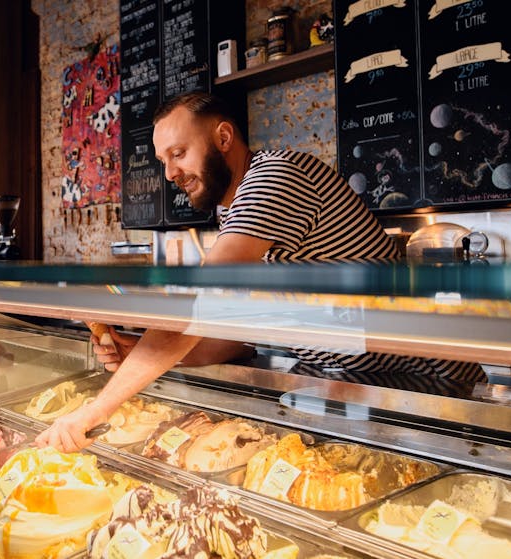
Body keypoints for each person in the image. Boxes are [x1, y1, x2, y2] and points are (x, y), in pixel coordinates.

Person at [34, 92, 483, 452]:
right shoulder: (234, 213)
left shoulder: (277, 176)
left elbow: (202, 302)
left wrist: (95, 410)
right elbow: (226, 331)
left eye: (178, 153)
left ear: (224, 138)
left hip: (430, 393)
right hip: (346, 392)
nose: (170, 172)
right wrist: (138, 355)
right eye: (162, 160)